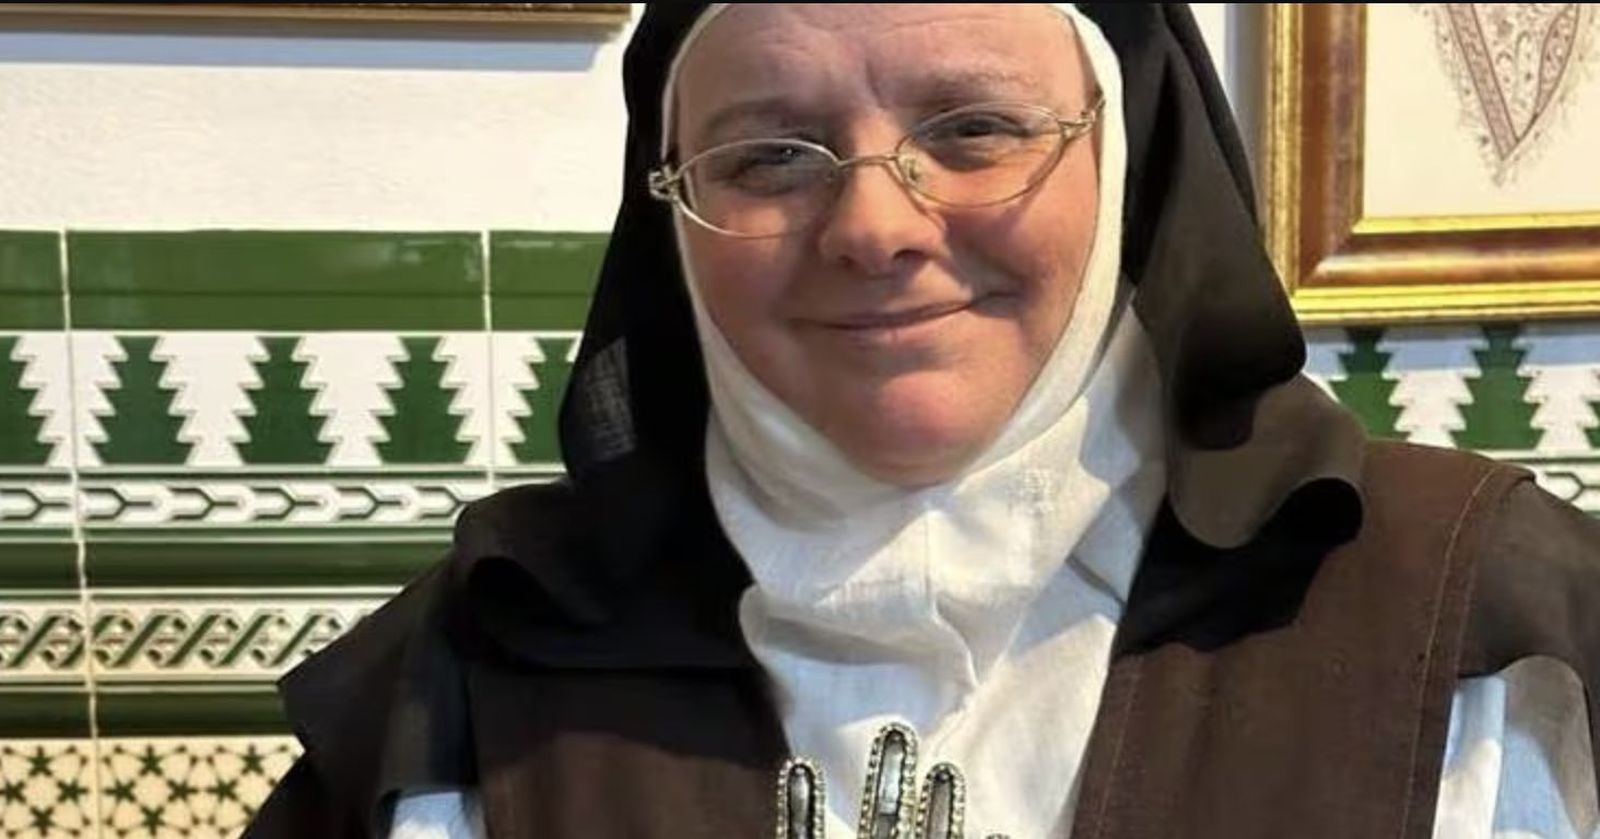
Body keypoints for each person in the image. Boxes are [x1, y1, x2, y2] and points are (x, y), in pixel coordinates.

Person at [243, 4, 1600, 838]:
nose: (875, 227)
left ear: (1129, 159)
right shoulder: (472, 669)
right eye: (768, 153)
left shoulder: (1484, 616)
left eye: (973, 129)